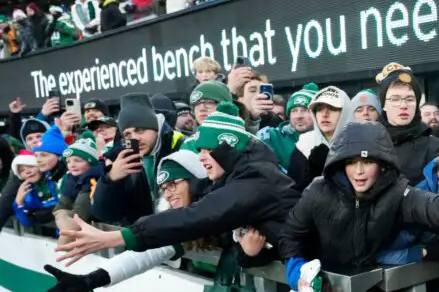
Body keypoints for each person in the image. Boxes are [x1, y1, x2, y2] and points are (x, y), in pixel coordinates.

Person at [279, 121, 439, 285]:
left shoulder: (398, 193)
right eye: (351, 162)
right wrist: (297, 274)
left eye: (367, 162)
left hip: (375, 288)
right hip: (322, 286)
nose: (359, 171)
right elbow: (291, 236)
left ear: (381, 165)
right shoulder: (318, 191)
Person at [56, 103, 299, 267]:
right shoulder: (232, 179)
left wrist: (118, 238)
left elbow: (197, 215)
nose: (201, 156)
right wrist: (96, 278)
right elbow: (183, 234)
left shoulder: (256, 179)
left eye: (207, 149)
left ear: (227, 146)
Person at [28, 151, 214, 292]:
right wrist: (89, 281)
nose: (168, 194)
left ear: (196, 182)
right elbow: (149, 253)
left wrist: (111, 239)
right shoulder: (178, 222)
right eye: (164, 188)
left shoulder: (224, 208)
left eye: (173, 183)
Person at [90, 93, 185, 224]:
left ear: (155, 128)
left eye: (140, 130)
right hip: (145, 238)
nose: (135, 138)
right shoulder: (125, 159)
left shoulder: (181, 146)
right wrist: (110, 179)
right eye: (128, 134)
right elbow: (105, 214)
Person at [54, 132, 104, 239]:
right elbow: (59, 208)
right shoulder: (70, 179)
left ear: (91, 162)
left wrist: (63, 216)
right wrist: (62, 215)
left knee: (66, 231)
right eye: (68, 161)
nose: (72, 165)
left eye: (78, 160)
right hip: (82, 230)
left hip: (98, 233)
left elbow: (79, 217)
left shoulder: (92, 180)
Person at [296, 85, 352, 158]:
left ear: (345, 112)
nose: (325, 114)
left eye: (332, 108)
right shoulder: (304, 143)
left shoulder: (360, 142)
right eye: (320, 109)